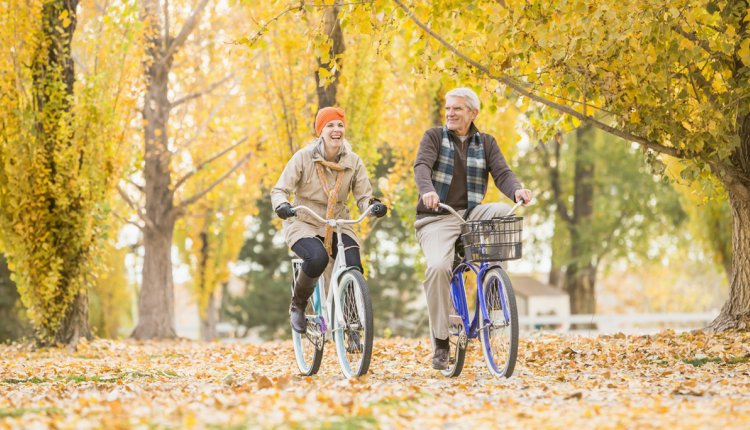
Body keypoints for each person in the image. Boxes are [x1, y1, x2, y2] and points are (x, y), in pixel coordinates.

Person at [413, 87, 533, 370]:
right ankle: (441, 343)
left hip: (471, 215)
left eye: (457, 108)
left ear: (472, 113)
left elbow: (503, 173)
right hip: (438, 216)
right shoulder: (434, 137)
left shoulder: (486, 142)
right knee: (439, 267)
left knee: (504, 213)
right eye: (448, 108)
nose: (450, 113)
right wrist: (428, 191)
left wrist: (517, 191)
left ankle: (493, 283)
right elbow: (421, 166)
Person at [271, 107, 387, 334]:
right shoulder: (304, 157)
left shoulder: (353, 161)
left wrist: (372, 206)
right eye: (330, 125)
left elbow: (363, 197)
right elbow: (280, 189)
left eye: (340, 125)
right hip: (304, 220)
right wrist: (282, 205)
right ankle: (298, 305)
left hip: (339, 222)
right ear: (320, 131)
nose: (336, 129)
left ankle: (352, 326)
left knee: (353, 265)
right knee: (317, 258)